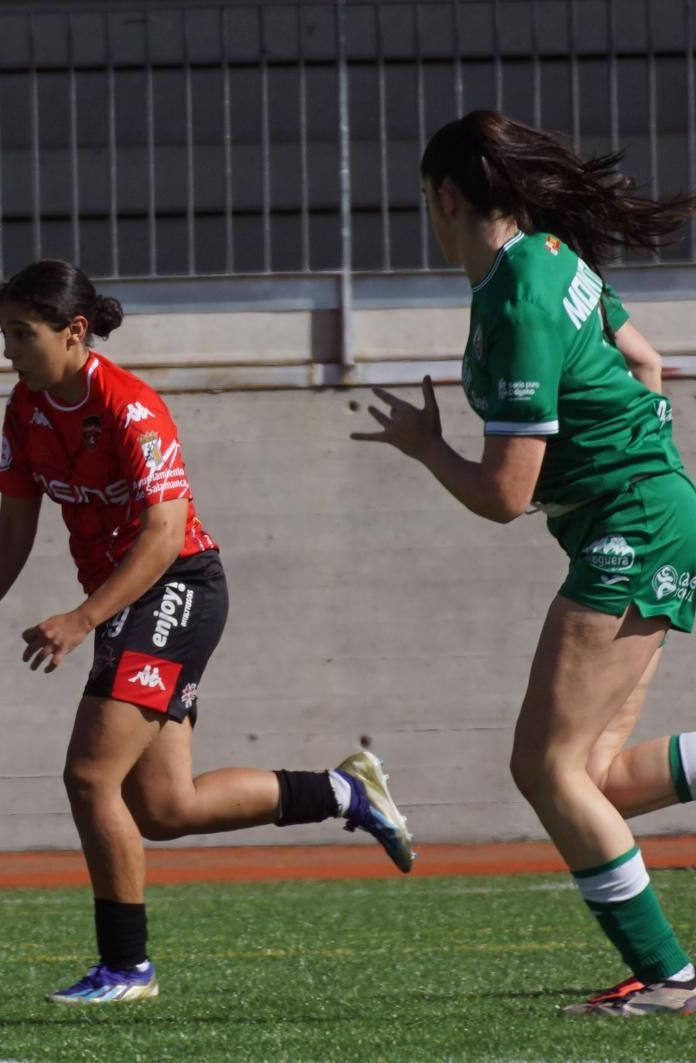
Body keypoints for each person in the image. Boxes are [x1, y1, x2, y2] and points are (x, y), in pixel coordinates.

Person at [0, 259, 415, 1005]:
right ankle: (340, 790)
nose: (7, 350)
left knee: (88, 776)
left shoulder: (131, 406)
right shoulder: (25, 407)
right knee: (163, 808)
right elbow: (13, 528)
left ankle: (127, 967)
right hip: (125, 600)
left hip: (176, 588)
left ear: (74, 332)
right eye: (1, 333)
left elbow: (165, 537)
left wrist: (83, 618)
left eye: (19, 333)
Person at [355, 110, 696, 1016]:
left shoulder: (516, 298)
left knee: (543, 769)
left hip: (630, 527)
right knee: (594, 776)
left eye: (427, 202)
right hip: (646, 516)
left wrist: (428, 448)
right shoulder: (552, 255)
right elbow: (648, 362)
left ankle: (671, 979)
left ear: (448, 197)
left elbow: (507, 494)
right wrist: (636, 466)